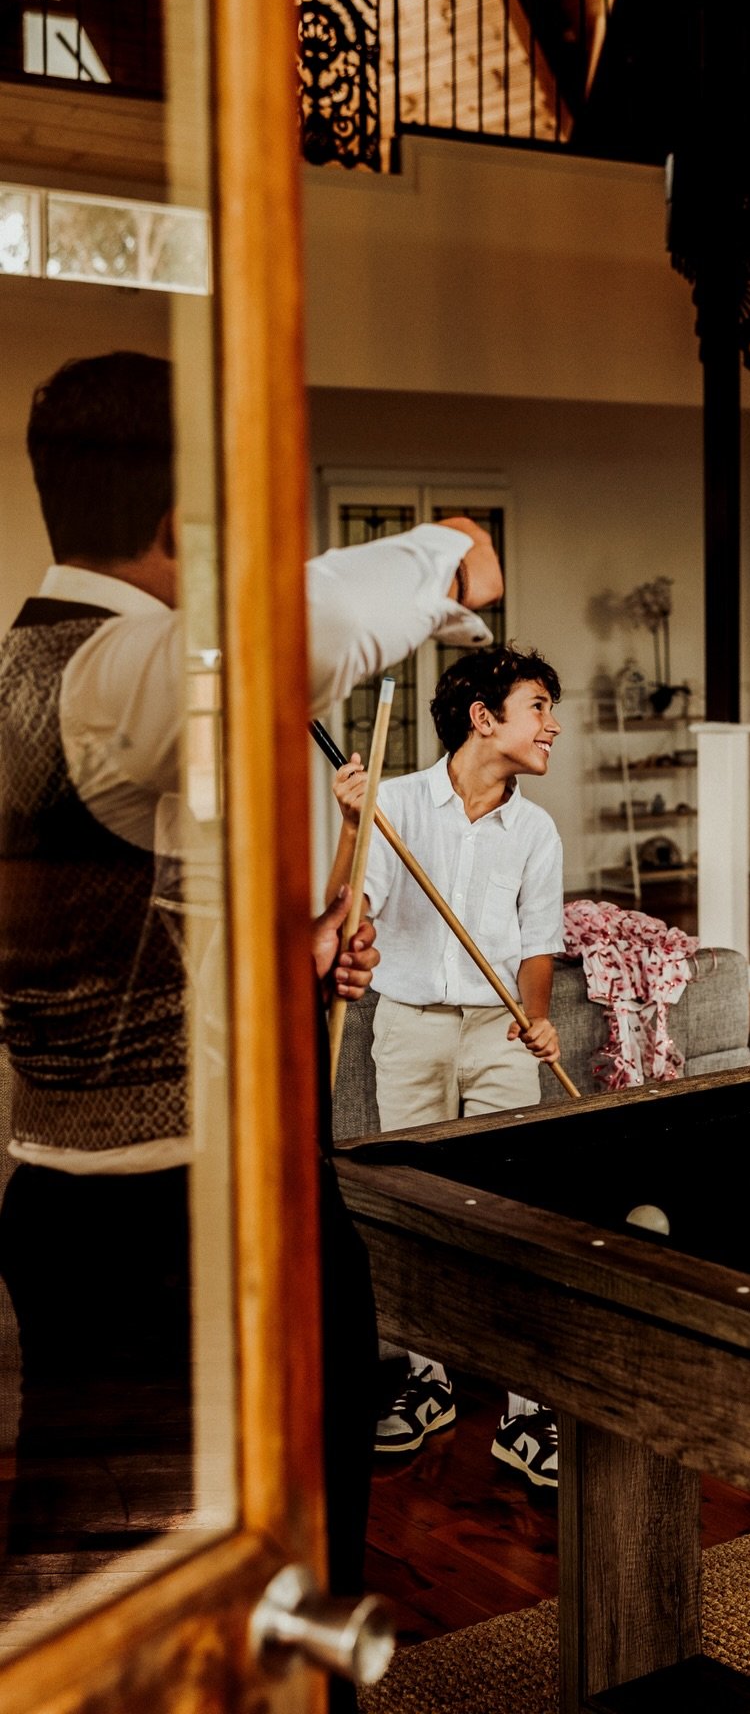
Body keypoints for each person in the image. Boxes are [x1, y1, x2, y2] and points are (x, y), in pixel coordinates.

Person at [0, 350, 501, 1598]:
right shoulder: (113, 676)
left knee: (117, 1573)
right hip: (191, 1228)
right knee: (276, 1582)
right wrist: (446, 547)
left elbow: (96, 913)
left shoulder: (18, 673)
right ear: (184, 520)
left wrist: (285, 961)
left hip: (64, 1206)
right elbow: (299, 630)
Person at [329, 645, 564, 1485]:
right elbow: (350, 911)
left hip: (500, 1034)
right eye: (539, 706)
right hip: (410, 1029)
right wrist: (355, 827)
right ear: (483, 717)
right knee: (420, 1208)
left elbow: (539, 941)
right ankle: (425, 1379)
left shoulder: (535, 829)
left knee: (518, 1208)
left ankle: (529, 1410)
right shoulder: (392, 806)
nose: (553, 725)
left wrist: (537, 1019)